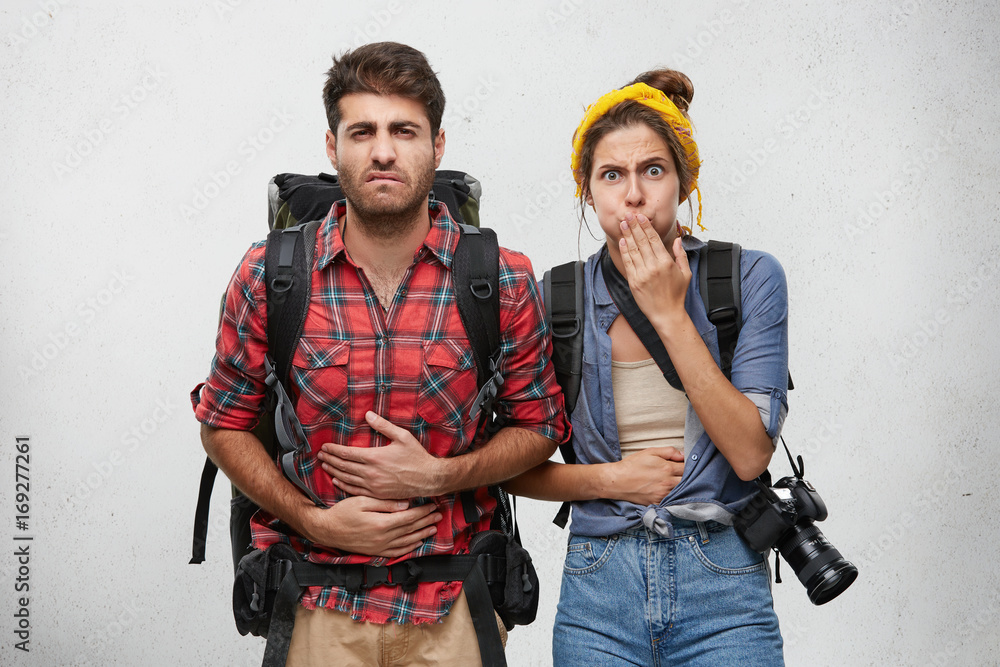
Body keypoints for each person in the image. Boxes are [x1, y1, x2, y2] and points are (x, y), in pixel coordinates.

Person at [192, 41, 569, 667]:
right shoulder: (270, 275)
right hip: (315, 606)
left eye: (404, 130)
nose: (384, 151)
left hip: (455, 608)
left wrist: (440, 476)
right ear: (333, 146)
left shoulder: (499, 277)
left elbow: (542, 425)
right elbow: (222, 424)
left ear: (438, 145)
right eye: (362, 131)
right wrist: (313, 521)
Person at [503, 69, 789, 665]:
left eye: (653, 171)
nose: (633, 194)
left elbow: (749, 455)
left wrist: (669, 314)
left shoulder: (749, 278)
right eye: (612, 175)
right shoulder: (554, 298)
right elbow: (506, 467)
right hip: (598, 590)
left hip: (725, 583)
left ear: (684, 181)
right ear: (588, 191)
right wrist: (610, 480)